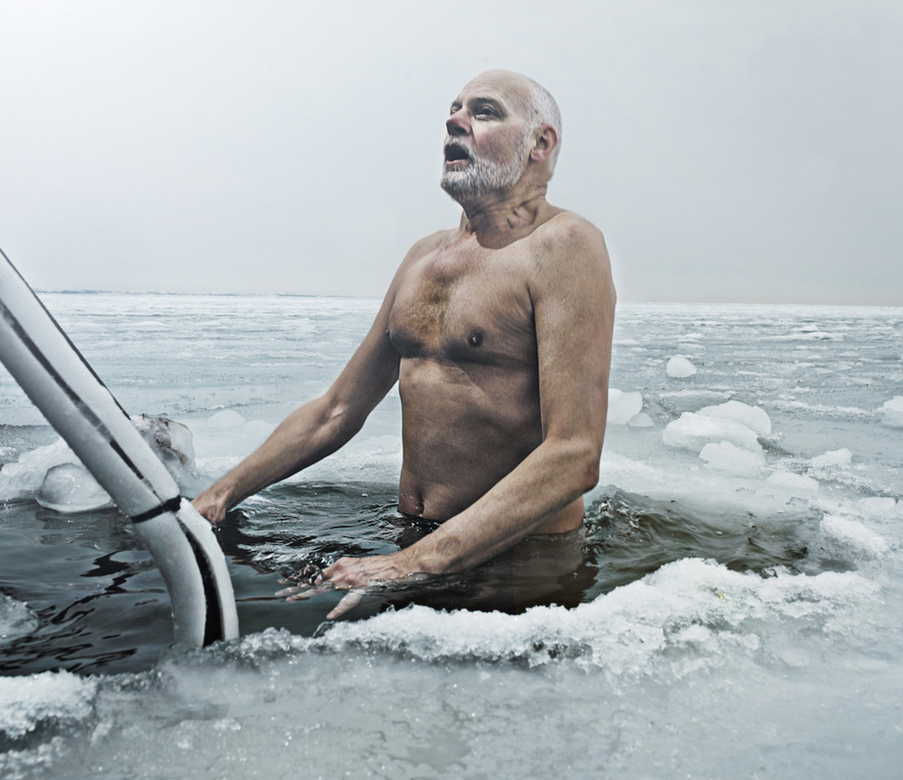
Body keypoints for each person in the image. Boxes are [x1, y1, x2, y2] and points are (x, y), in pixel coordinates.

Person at [192, 69, 616, 618]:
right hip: (416, 540)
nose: (454, 120)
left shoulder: (563, 247)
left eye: (484, 111)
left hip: (520, 563)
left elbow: (574, 454)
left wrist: (412, 564)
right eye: (455, 108)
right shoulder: (424, 256)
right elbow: (336, 410)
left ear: (540, 143)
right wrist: (219, 496)